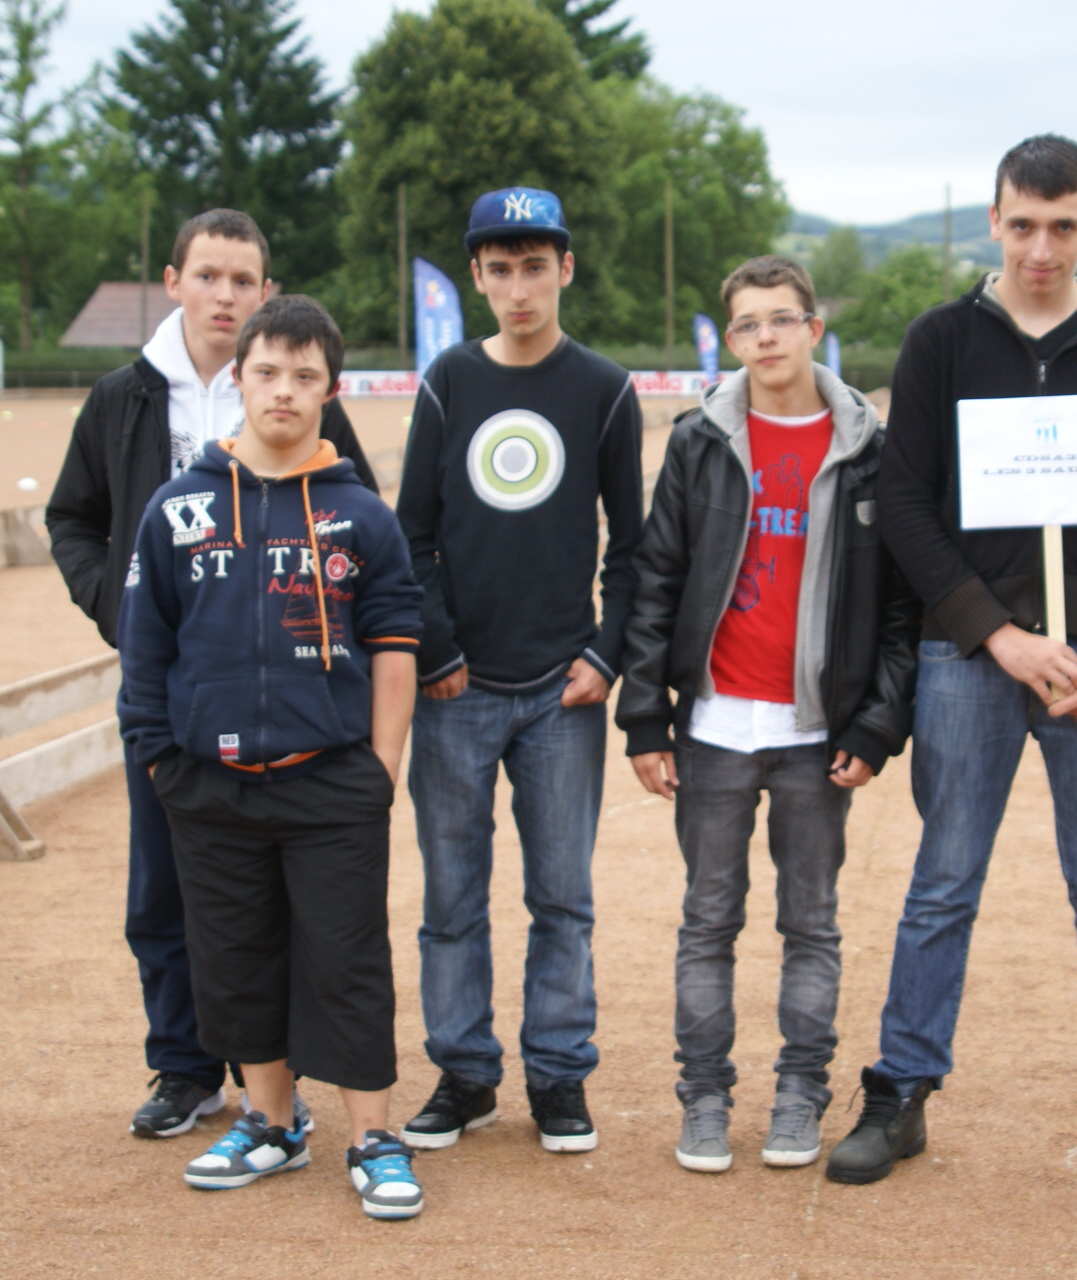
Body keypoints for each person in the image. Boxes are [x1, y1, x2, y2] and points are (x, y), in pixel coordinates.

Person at [826, 135, 1077, 1193]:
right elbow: (905, 505)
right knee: (942, 883)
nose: (1040, 248)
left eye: (1062, 226)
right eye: (1022, 224)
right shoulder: (941, 339)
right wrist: (998, 633)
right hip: (969, 660)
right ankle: (900, 1091)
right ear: (994, 220)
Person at [47, 209, 377, 1138]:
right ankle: (184, 1066)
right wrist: (119, 606)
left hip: (285, 693)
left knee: (277, 897)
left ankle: (276, 1082)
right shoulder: (122, 398)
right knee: (163, 888)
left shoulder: (291, 384)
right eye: (208, 276)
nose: (224, 295)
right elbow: (72, 517)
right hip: (171, 690)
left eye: (242, 280)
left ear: (266, 291)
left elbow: (356, 515)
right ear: (174, 282)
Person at [118, 294, 427, 1219]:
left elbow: (396, 646)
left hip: (332, 783)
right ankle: (272, 1124)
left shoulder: (362, 515)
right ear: (239, 379)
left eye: (304, 375)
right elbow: (146, 647)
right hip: (209, 786)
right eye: (266, 372)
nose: (283, 390)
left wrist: (380, 767)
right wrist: (160, 761)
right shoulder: (177, 509)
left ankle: (373, 1138)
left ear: (331, 389)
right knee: (235, 959)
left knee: (346, 960)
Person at [618, 255, 920, 1173]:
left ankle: (799, 1095)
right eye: (747, 324)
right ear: (731, 338)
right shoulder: (699, 440)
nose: (766, 337)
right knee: (707, 922)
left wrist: (875, 726)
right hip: (713, 727)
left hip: (814, 735)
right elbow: (655, 579)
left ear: (813, 327)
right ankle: (705, 1099)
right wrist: (644, 716)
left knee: (810, 925)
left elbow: (900, 608)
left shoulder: (868, 448)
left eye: (781, 319)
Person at [395, 187, 643, 1154]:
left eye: (535, 267)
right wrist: (437, 647)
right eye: (499, 270)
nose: (519, 288)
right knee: (451, 898)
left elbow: (633, 546)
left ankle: (558, 1074)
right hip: (455, 689)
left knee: (563, 899)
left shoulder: (605, 389)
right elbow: (412, 536)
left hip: (562, 694)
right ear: (477, 278)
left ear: (565, 269)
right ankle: (464, 1073)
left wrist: (606, 651)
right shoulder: (447, 381)